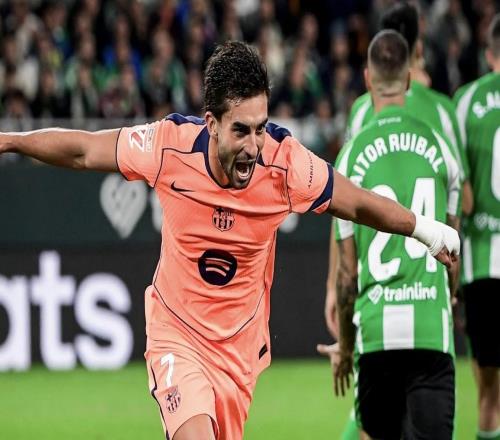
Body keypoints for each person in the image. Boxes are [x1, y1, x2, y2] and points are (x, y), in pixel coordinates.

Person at [0, 40, 459, 440]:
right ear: (211, 123)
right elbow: (84, 151)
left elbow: (356, 203)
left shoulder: (285, 164)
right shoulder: (167, 146)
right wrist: (10, 140)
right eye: (241, 130)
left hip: (238, 355)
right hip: (177, 334)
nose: (254, 146)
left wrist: (425, 230)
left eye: (261, 128)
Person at [320, 5, 470, 436]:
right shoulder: (440, 147)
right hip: (430, 332)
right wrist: (449, 295)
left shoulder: (351, 154)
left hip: (375, 335)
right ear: (408, 79)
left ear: (367, 80)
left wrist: (346, 345)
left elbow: (348, 275)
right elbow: (452, 247)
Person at [453, 14, 500, 440]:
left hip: (482, 265)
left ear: (489, 54)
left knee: (488, 394)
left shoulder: (466, 103)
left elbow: (464, 198)